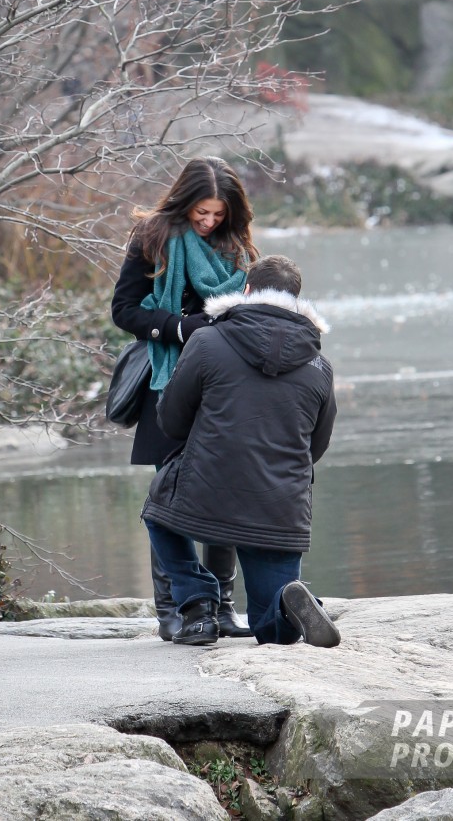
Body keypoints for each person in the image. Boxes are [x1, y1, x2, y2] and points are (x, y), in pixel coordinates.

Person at [141, 254, 340, 648]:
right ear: (297, 300)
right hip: (281, 509)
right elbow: (316, 445)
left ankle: (199, 600)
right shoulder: (319, 364)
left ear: (246, 291)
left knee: (158, 512)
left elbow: (172, 420)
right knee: (271, 630)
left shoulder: (207, 340)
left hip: (207, 491)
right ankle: (289, 606)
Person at [111, 156, 259, 641]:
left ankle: (219, 608)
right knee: (170, 498)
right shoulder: (152, 237)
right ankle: (172, 610)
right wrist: (177, 326)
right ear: (184, 202)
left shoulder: (235, 245)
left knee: (227, 497)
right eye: (202, 213)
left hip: (222, 385)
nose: (209, 221)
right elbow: (124, 310)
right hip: (167, 382)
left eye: (218, 214)